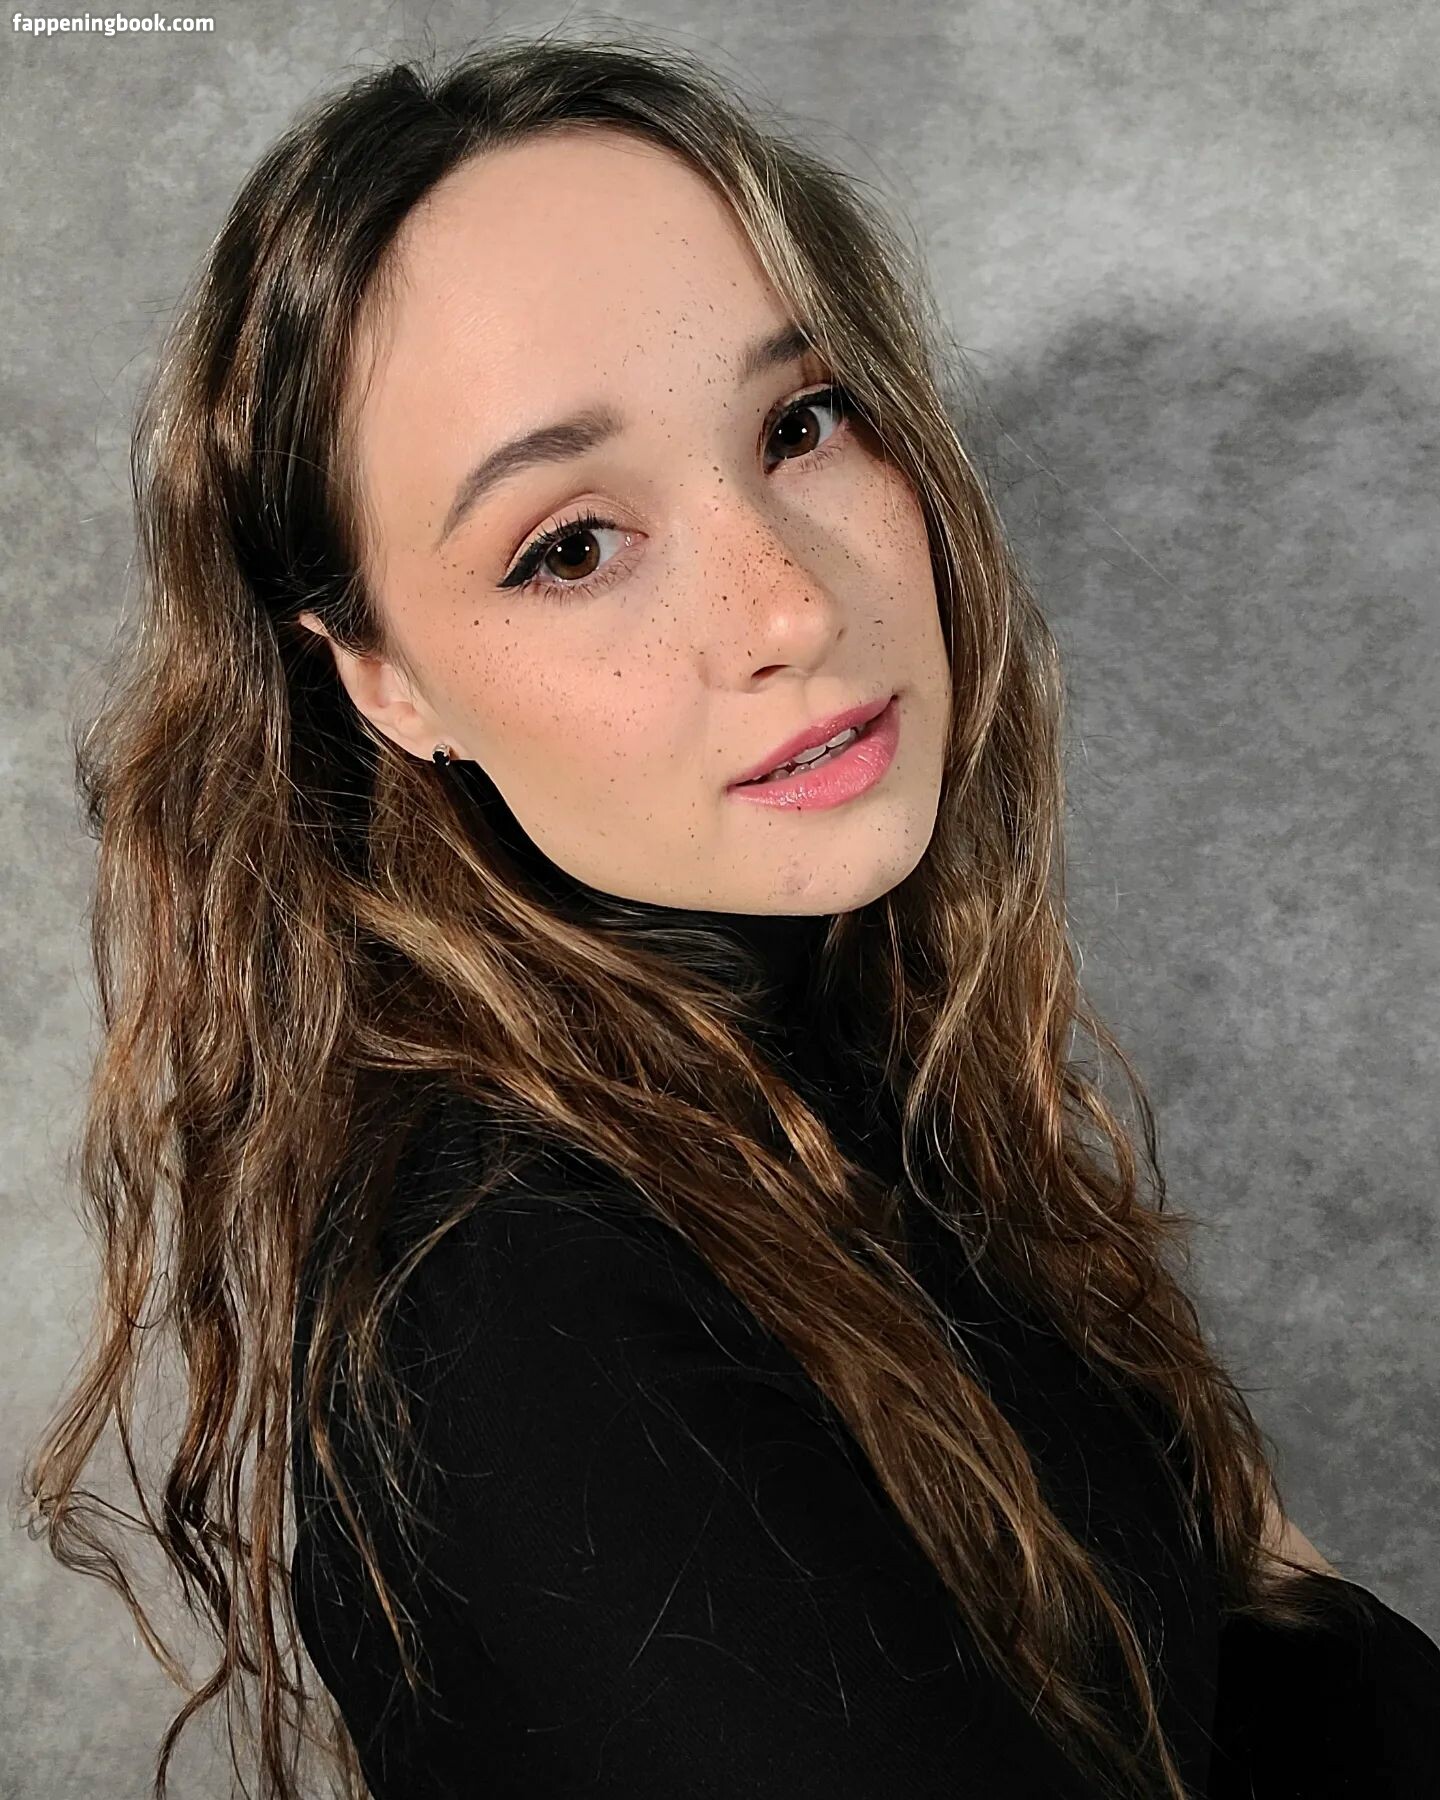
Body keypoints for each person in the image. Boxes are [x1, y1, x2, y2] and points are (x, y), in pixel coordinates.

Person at [23, 35, 1439, 1800]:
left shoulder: (845, 1100)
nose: (790, 607)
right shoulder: (528, 1333)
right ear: (383, 679)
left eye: (801, 424)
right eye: (571, 545)